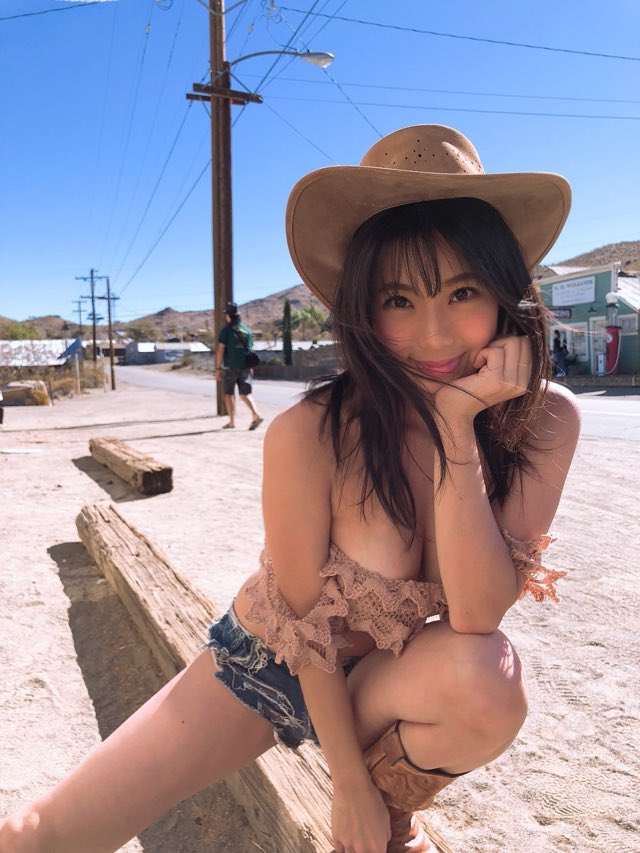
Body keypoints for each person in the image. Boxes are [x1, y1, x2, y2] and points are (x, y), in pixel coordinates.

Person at [0, 125, 580, 853]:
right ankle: (374, 794)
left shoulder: (541, 422)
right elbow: (306, 627)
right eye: (398, 300)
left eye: (462, 292)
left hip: (389, 684)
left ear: (504, 291)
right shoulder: (311, 432)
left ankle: (394, 805)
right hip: (273, 664)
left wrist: (455, 430)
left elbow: (476, 612)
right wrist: (347, 784)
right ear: (363, 309)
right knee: (42, 833)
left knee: (488, 680)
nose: (434, 335)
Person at [215, 301, 263, 430]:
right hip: (246, 366)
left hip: (230, 367)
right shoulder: (247, 330)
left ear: (228, 316)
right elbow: (249, 350)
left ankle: (232, 422)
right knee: (245, 394)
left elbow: (220, 350)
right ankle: (256, 414)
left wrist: (218, 368)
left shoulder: (226, 331)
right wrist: (250, 367)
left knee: (229, 394)